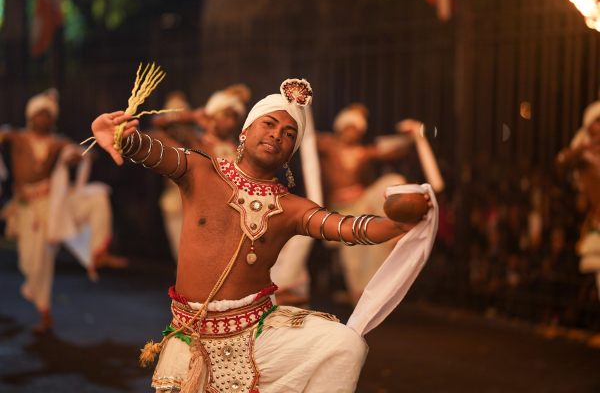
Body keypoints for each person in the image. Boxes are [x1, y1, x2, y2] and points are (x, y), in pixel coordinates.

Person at [89, 79, 432, 393]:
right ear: (245, 132)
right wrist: (119, 136)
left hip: (257, 336)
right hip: (191, 339)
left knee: (346, 344)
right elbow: (152, 152)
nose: (276, 135)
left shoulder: (291, 206)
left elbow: (349, 228)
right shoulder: (200, 170)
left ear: (291, 151)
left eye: (288, 133)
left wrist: (399, 225)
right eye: (269, 124)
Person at [0, 89, 125, 333]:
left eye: (48, 114)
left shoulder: (59, 141)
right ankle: (43, 311)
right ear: (30, 116)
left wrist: (76, 157)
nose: (43, 118)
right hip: (28, 207)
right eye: (39, 113)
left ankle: (98, 252)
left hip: (56, 203)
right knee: (33, 262)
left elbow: (80, 151)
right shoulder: (16, 136)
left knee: (98, 197)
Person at [317, 103, 443, 303]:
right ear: (341, 126)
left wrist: (412, 136)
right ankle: (360, 299)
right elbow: (302, 137)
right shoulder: (327, 145)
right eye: (351, 127)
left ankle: (399, 227)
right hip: (339, 211)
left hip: (361, 201)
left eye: (358, 129)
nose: (355, 132)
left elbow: (394, 151)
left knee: (392, 181)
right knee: (353, 255)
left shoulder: (362, 151)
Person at [151, 86, 251, 261]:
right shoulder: (195, 141)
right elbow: (159, 122)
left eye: (235, 117)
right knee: (188, 262)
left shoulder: (239, 149)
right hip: (185, 209)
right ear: (212, 115)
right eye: (226, 115)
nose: (231, 122)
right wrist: (193, 116)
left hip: (222, 216)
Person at [557, 100, 600, 302]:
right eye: (598, 121)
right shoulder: (582, 151)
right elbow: (564, 160)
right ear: (588, 124)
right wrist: (587, 145)